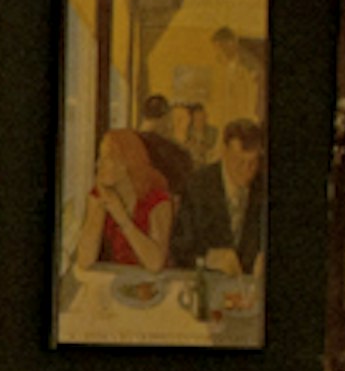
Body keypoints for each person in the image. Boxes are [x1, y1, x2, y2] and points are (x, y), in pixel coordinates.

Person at [72, 127, 176, 270]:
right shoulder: (98, 195)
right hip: (118, 282)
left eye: (106, 158)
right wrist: (100, 205)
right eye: (99, 157)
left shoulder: (157, 199)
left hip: (154, 285)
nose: (98, 165)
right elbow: (85, 260)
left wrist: (122, 218)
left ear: (127, 161)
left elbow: (155, 264)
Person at [175, 117, 267, 273]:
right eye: (239, 162)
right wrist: (208, 259)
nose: (247, 170)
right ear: (224, 152)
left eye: (253, 162)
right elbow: (179, 249)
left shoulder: (264, 186)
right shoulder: (198, 186)